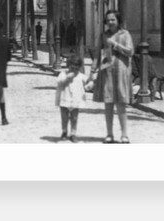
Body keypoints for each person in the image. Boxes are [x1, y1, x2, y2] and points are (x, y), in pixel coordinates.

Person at [92, 10, 134, 143]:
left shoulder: (125, 34)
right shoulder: (103, 35)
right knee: (108, 103)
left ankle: (124, 135)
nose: (110, 22)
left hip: (121, 71)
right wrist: (92, 70)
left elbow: (130, 51)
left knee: (121, 104)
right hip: (107, 71)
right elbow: (98, 53)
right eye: (108, 20)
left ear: (118, 21)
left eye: (113, 19)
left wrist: (115, 44)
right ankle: (109, 134)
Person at [55, 54, 91, 142]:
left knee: (74, 118)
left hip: (76, 100)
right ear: (68, 66)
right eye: (72, 67)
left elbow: (87, 81)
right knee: (64, 117)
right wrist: (67, 78)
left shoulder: (80, 75)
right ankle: (64, 131)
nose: (74, 69)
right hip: (64, 99)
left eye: (77, 67)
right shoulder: (63, 74)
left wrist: (90, 84)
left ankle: (73, 133)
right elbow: (59, 82)